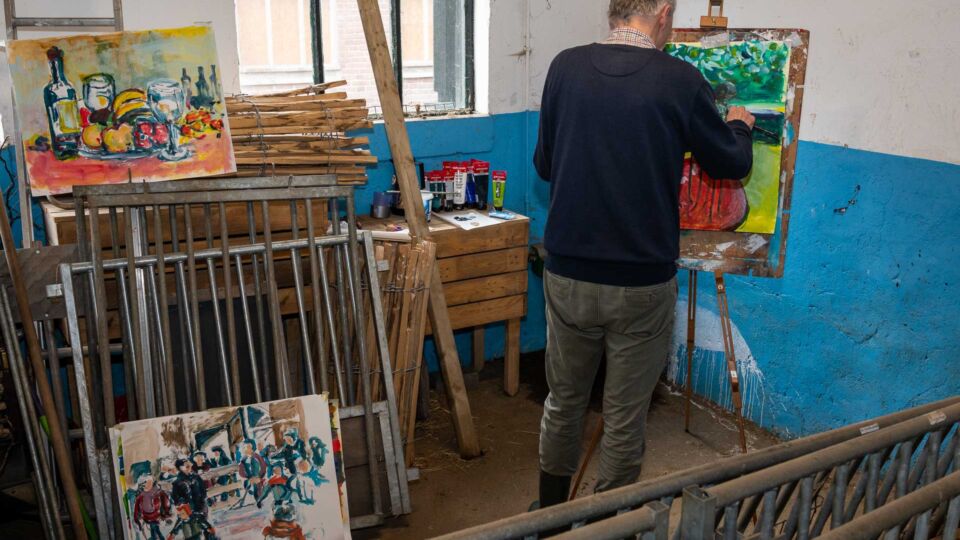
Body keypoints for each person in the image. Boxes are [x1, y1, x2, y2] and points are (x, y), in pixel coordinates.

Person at [533, 0, 756, 510]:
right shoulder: (679, 80)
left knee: (563, 402)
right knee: (624, 415)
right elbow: (731, 162)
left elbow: (545, 165)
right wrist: (739, 125)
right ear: (663, 11)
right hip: (641, 284)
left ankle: (547, 515)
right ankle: (612, 522)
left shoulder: (564, 67)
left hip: (568, 275)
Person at [133, 475, 172, 540]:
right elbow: (136, 509)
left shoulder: (158, 492)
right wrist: (137, 521)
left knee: (155, 529)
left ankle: (156, 537)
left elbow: (166, 503)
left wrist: (166, 514)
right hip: (148, 518)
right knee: (155, 529)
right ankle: (156, 537)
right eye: (145, 483)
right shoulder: (140, 495)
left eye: (149, 482)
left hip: (156, 517)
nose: (146, 484)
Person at [235, 440, 267, 508]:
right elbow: (241, 471)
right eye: (244, 447)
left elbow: (263, 467)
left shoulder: (257, 457)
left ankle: (259, 501)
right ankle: (246, 500)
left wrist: (259, 477)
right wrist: (248, 478)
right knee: (248, 487)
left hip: (257, 478)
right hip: (249, 479)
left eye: (247, 447)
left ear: (252, 448)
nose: (245, 449)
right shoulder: (243, 459)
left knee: (257, 490)